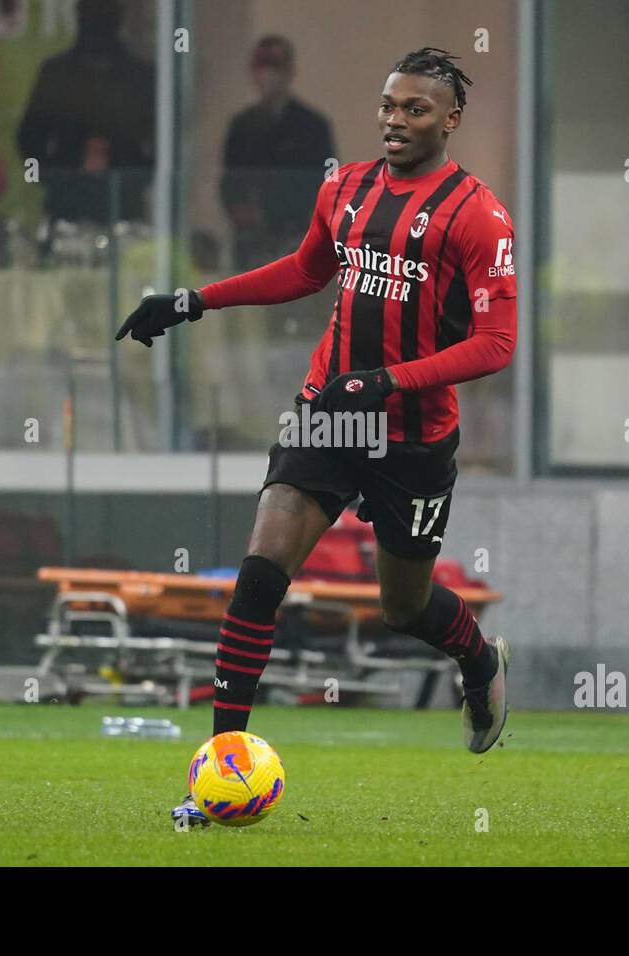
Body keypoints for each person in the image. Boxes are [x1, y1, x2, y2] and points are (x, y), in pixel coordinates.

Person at [118, 47, 517, 827]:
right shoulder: (347, 185)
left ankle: (477, 657)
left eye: (416, 110)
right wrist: (195, 301)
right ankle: (219, 775)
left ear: (451, 120)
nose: (396, 121)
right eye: (389, 105)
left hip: (414, 437)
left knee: (403, 609)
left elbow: (498, 345)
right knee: (261, 573)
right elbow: (305, 269)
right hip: (329, 413)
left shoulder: (479, 215)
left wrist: (390, 380)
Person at [16, 0, 155, 226]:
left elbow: (162, 145)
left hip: (122, 201)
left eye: (104, 12)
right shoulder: (57, 73)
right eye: (92, 12)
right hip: (67, 200)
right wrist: (48, 178)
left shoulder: (140, 76)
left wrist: (137, 178)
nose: (98, 20)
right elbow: (28, 138)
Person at [221, 36, 336, 270]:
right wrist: (242, 212)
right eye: (261, 67)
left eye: (275, 67)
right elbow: (229, 181)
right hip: (252, 239)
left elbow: (326, 184)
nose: (267, 75)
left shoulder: (312, 126)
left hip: (297, 235)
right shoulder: (242, 126)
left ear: (289, 71)